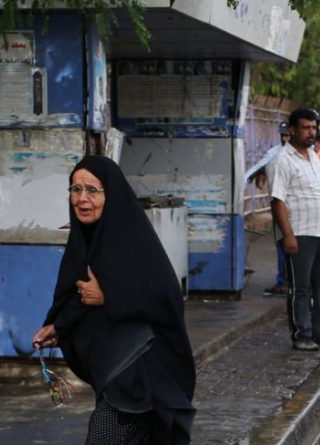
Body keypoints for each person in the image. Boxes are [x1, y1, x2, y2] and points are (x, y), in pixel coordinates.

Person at [32, 155, 196, 444]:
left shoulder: (131, 240)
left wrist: (108, 296)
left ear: (111, 195)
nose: (82, 199)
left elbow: (165, 297)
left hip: (142, 371)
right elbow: (78, 294)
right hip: (116, 373)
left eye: (92, 191)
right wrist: (60, 325)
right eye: (75, 189)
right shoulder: (85, 240)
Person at [269, 108, 320, 351]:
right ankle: (302, 334)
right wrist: (288, 236)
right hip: (300, 234)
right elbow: (277, 201)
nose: (311, 132)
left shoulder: (314, 156)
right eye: (306, 127)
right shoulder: (282, 160)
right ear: (292, 130)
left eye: (314, 128)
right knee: (301, 287)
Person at [246, 122, 291, 296]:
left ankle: (289, 281)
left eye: (288, 134)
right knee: (282, 243)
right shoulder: (275, 153)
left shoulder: (300, 154)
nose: (286, 137)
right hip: (281, 205)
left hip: (295, 207)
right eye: (284, 134)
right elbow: (260, 167)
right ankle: (283, 281)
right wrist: (258, 175)